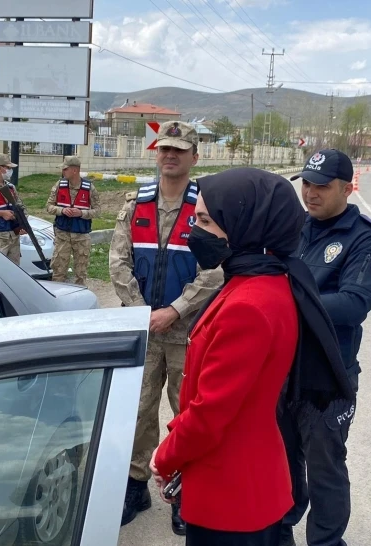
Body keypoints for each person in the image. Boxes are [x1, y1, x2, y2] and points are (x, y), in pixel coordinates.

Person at [150, 168, 356, 546]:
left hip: (230, 490)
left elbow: (210, 415)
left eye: (206, 221)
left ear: (245, 224)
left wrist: (166, 457)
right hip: (244, 477)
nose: (194, 232)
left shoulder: (248, 305)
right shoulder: (264, 281)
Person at [110, 120, 224, 535]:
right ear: (155, 153)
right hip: (144, 328)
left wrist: (174, 310)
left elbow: (216, 270)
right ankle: (136, 485)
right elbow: (118, 262)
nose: (170, 155)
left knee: (187, 414)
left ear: (195, 157)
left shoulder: (206, 211)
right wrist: (141, 311)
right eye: (164, 148)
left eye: (179, 149)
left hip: (186, 332)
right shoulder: (134, 205)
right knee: (137, 412)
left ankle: (183, 491)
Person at [278, 149, 371, 546]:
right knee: (284, 460)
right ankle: (282, 528)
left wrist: (287, 300)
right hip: (284, 371)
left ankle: (325, 542)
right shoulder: (296, 227)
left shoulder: (365, 240)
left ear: (347, 187)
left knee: (325, 468)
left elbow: (355, 303)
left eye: (321, 186)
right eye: (306, 183)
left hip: (327, 378)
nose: (310, 193)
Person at [46, 156, 101, 285]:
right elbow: (48, 206)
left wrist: (81, 213)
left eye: (65, 169)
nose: (63, 172)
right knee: (58, 271)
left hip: (81, 236)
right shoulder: (59, 185)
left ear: (75, 170)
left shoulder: (89, 188)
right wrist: (62, 210)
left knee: (80, 274)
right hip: (62, 235)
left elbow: (98, 211)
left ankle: (79, 301)